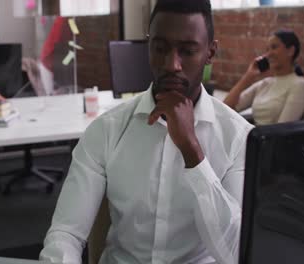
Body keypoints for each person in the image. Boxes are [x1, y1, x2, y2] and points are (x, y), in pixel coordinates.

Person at [39, 0, 253, 263]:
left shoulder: (240, 138)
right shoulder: (107, 130)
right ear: (149, 45)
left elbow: (236, 253)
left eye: (187, 51)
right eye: (160, 48)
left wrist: (192, 150)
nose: (172, 64)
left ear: (210, 52)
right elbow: (66, 234)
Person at [223, 29, 304, 125]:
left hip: (268, 138)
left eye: (274, 47)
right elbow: (224, 108)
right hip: (254, 135)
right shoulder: (265, 83)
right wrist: (248, 76)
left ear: (290, 51)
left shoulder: (299, 85)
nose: (268, 54)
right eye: (267, 50)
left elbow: (282, 130)